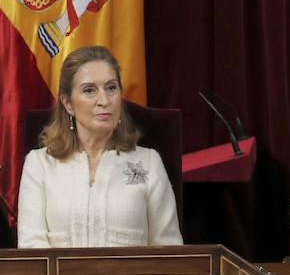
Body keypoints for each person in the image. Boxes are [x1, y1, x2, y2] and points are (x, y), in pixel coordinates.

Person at [17, 45, 182, 248]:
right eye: (89, 90)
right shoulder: (39, 164)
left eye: (111, 88)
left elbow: (170, 251)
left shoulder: (148, 162)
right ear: (68, 103)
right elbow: (31, 250)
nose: (104, 101)